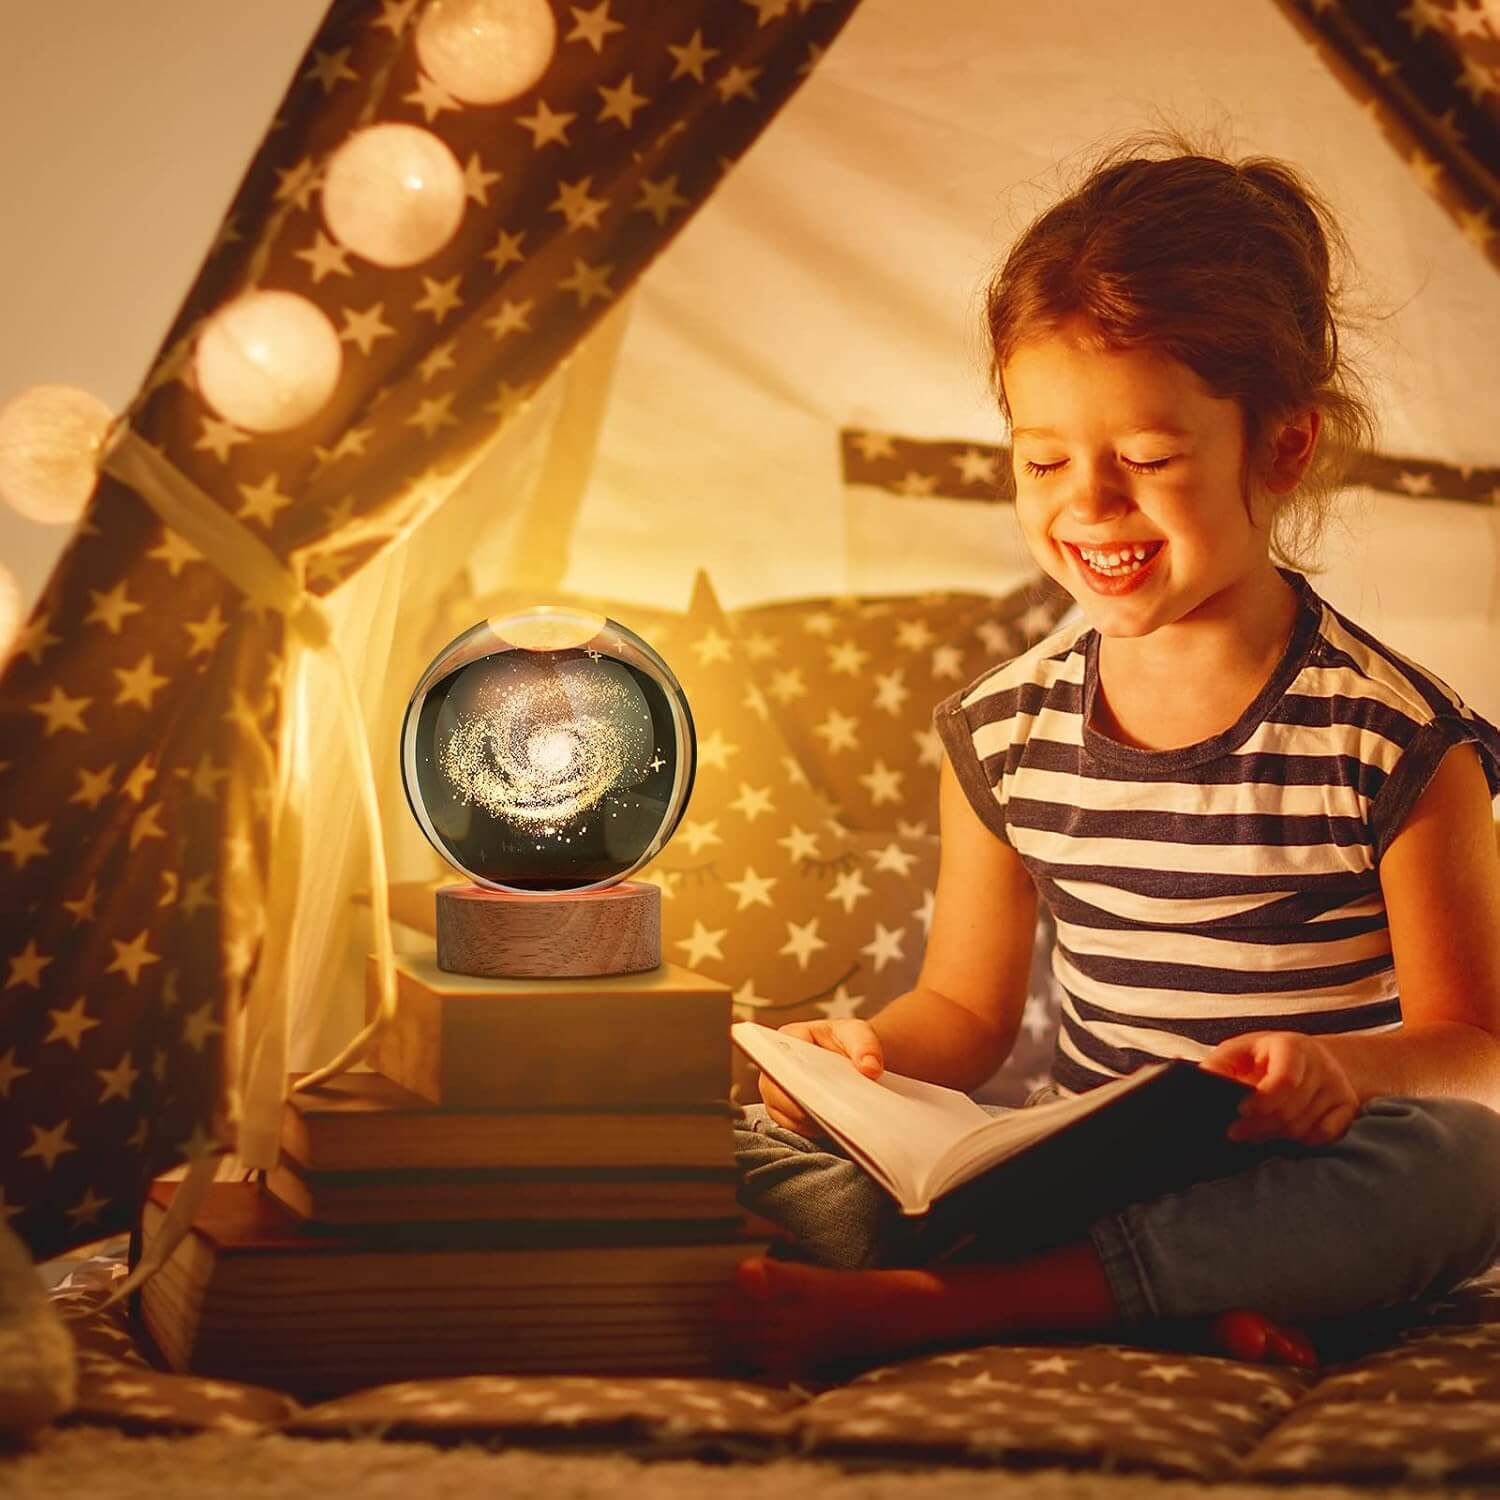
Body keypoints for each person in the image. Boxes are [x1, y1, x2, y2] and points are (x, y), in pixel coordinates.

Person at [719, 138, 1500, 1381]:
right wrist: (856, 1056)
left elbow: (1475, 1045)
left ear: (1282, 448)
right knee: (746, 1139)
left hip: (1313, 1173)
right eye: (1042, 463)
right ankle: (1153, 1298)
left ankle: (965, 1305)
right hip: (1085, 1179)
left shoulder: (1395, 740)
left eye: (1145, 462)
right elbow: (966, 1019)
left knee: (1467, 1169)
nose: (1088, 506)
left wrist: (1339, 1071)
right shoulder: (1003, 730)